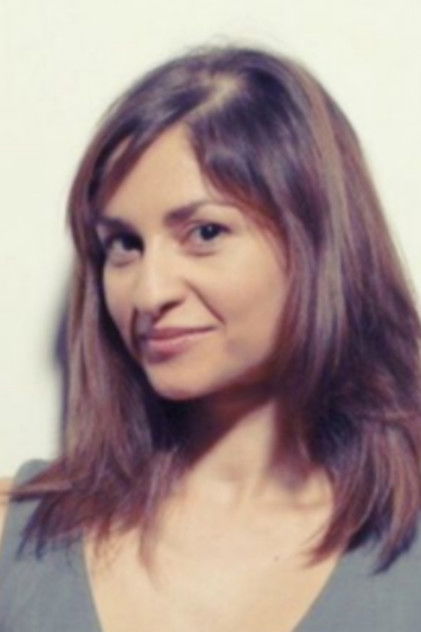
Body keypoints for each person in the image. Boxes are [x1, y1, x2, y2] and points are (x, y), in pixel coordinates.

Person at [1, 44, 421, 632]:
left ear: (320, 244)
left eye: (204, 232)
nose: (149, 293)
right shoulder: (16, 533)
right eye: (124, 244)